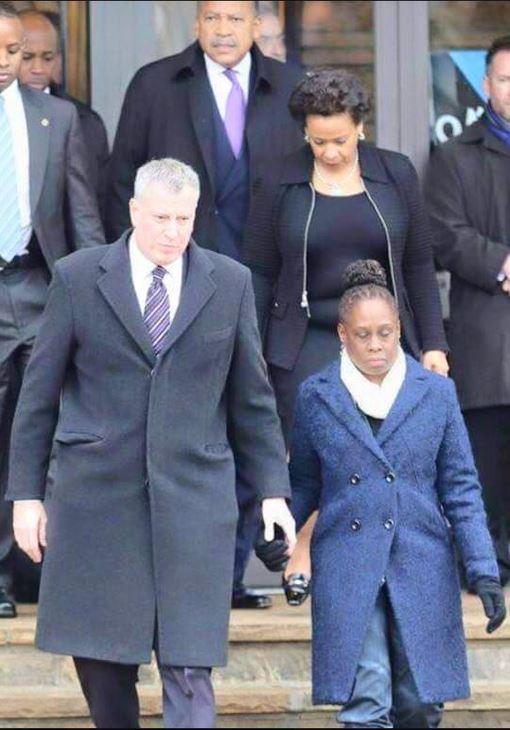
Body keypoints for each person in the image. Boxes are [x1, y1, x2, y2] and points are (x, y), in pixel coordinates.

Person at [5, 158, 295, 729]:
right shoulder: (78, 276)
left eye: (183, 219)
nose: (172, 232)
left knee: (190, 665)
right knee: (102, 662)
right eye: (160, 217)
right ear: (135, 211)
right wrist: (26, 496)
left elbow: (253, 402)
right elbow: (37, 396)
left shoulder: (229, 282)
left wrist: (272, 493)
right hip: (97, 499)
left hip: (194, 496)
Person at [108, 0, 303, 609]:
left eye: (236, 19)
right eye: (212, 17)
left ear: (258, 26)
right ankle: (182, 575)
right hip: (176, 284)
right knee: (186, 424)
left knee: (251, 415)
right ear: (197, 23)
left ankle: (232, 573)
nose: (223, 30)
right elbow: (122, 185)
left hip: (264, 284)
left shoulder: (290, 87)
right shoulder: (156, 84)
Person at [244, 68, 448, 597]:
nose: (329, 152)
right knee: (320, 453)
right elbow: (260, 272)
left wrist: (433, 346)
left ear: (360, 127)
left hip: (381, 337)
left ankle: (371, 565)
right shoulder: (279, 179)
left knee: (378, 455)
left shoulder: (395, 173)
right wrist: (252, 352)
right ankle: (305, 548)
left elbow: (420, 264)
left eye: (338, 139)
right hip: (306, 336)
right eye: (317, 140)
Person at [289, 259, 506, 729]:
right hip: (347, 561)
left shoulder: (435, 394)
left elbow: (461, 489)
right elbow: (304, 483)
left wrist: (484, 570)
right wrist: (280, 534)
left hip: (421, 559)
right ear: (342, 334)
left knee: (419, 704)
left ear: (400, 328)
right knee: (366, 700)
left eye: (385, 333)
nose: (375, 346)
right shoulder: (316, 396)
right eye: (363, 334)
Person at [0, 2, 105, 619]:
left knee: (37, 428)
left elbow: (83, 215)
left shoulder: (56, 117)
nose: (4, 61)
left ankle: (32, 566)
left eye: (13, 50)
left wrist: (97, 296)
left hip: (41, 287)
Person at [425, 35, 510, 586]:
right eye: (506, 79)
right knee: (489, 467)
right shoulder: (454, 156)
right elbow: (444, 233)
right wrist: (504, 264)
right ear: (487, 85)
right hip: (488, 339)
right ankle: (490, 567)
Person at [18, 9, 110, 224]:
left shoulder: (84, 121)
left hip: (57, 254)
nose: (38, 69)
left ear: (59, 61)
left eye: (47, 58)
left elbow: (92, 209)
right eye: (27, 57)